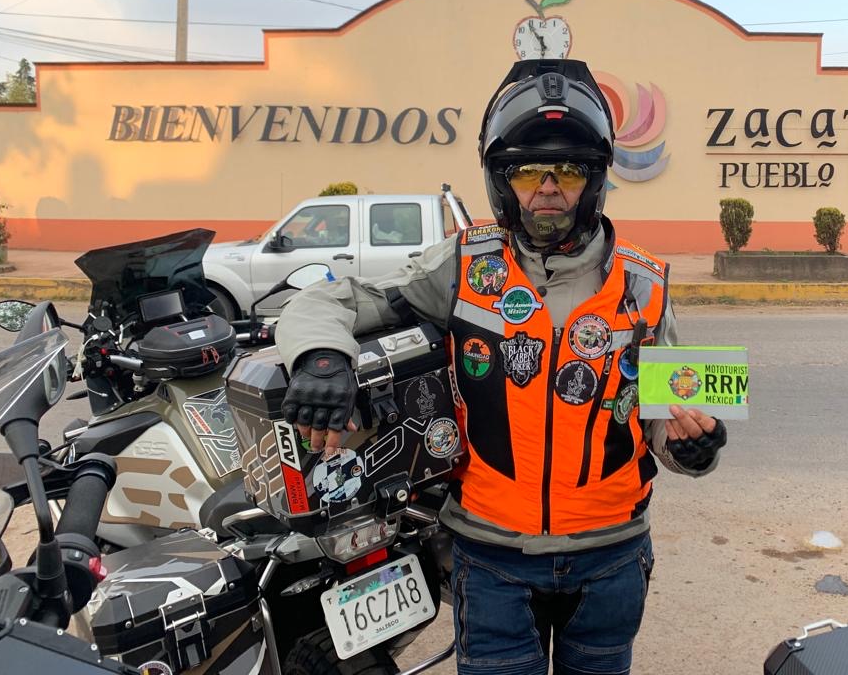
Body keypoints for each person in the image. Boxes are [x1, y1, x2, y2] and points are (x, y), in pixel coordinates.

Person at [276, 58, 727, 675]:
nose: (549, 188)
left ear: (595, 179)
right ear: (501, 181)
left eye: (569, 171)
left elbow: (668, 415)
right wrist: (322, 357)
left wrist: (693, 448)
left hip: (611, 556)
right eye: (527, 172)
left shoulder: (644, 284)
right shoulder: (463, 266)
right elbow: (334, 299)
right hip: (492, 557)